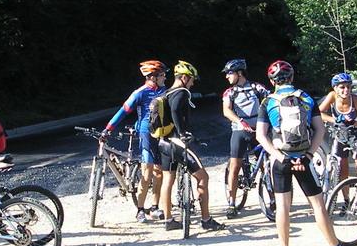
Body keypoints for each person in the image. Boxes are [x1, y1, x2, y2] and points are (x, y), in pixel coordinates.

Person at [256, 60, 354, 246]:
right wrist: (308, 155)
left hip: (281, 159)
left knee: (283, 206)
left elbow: (261, 135)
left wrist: (279, 156)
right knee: (318, 205)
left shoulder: (268, 102)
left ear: (272, 81)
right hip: (303, 157)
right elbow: (320, 129)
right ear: (292, 77)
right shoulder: (306, 98)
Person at [157, 61, 224, 232]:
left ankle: (168, 220)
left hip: (164, 142)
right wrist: (182, 133)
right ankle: (206, 219)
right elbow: (175, 111)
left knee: (167, 180)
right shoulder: (181, 92)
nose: (193, 83)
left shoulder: (167, 93)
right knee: (203, 178)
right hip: (177, 143)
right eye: (192, 79)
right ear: (184, 78)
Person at [102, 60, 167, 223]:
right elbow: (123, 111)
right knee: (147, 172)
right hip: (146, 133)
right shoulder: (140, 93)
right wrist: (108, 128)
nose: (165, 77)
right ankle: (140, 209)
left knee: (159, 172)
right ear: (152, 77)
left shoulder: (165, 90)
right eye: (162, 75)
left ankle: (154, 207)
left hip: (162, 133)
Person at [221, 58, 269, 218]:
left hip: (258, 131)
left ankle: (272, 197)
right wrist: (240, 121)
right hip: (240, 131)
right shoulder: (230, 92)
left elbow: (270, 102)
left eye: (229, 73)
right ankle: (232, 203)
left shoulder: (257, 88)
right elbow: (226, 111)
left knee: (266, 165)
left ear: (239, 73)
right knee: (235, 167)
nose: (227, 76)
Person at [318, 72, 357, 190]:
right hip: (340, 135)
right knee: (342, 169)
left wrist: (352, 122)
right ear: (335, 88)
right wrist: (335, 120)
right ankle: (346, 198)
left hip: (355, 135)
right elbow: (318, 113)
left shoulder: (356, 99)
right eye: (342, 87)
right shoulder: (332, 96)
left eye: (349, 87)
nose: (346, 90)